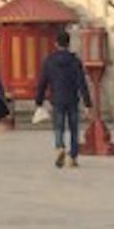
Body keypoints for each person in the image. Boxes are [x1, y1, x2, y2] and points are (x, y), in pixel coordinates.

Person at [35, 30, 92, 169]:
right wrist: (87, 102)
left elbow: (43, 81)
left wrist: (39, 100)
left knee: (59, 127)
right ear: (68, 43)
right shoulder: (75, 61)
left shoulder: (50, 60)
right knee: (74, 129)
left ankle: (60, 147)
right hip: (72, 98)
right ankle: (72, 157)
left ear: (56, 43)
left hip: (57, 98)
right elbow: (81, 82)